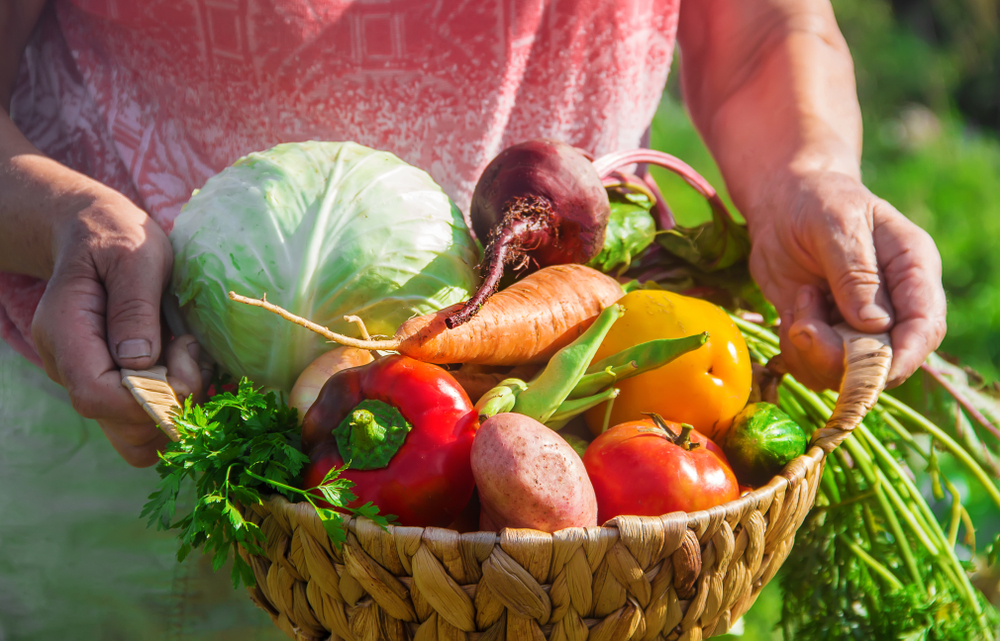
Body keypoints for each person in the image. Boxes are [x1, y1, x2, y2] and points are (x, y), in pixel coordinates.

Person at [0, 0, 947, 638]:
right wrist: (58, 216)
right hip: (130, 403)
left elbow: (759, 36)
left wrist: (807, 170)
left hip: (583, 512)